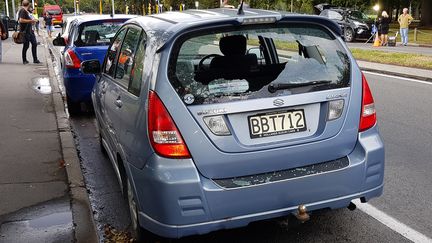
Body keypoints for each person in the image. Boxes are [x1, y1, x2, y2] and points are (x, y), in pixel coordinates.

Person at [18, 0, 40, 64]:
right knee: (26, 45)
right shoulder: (22, 11)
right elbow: (21, 20)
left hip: (30, 31)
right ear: (29, 4)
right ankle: (24, 60)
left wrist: (32, 21)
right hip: (25, 32)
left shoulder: (27, 11)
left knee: (34, 44)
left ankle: (35, 59)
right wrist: (31, 21)